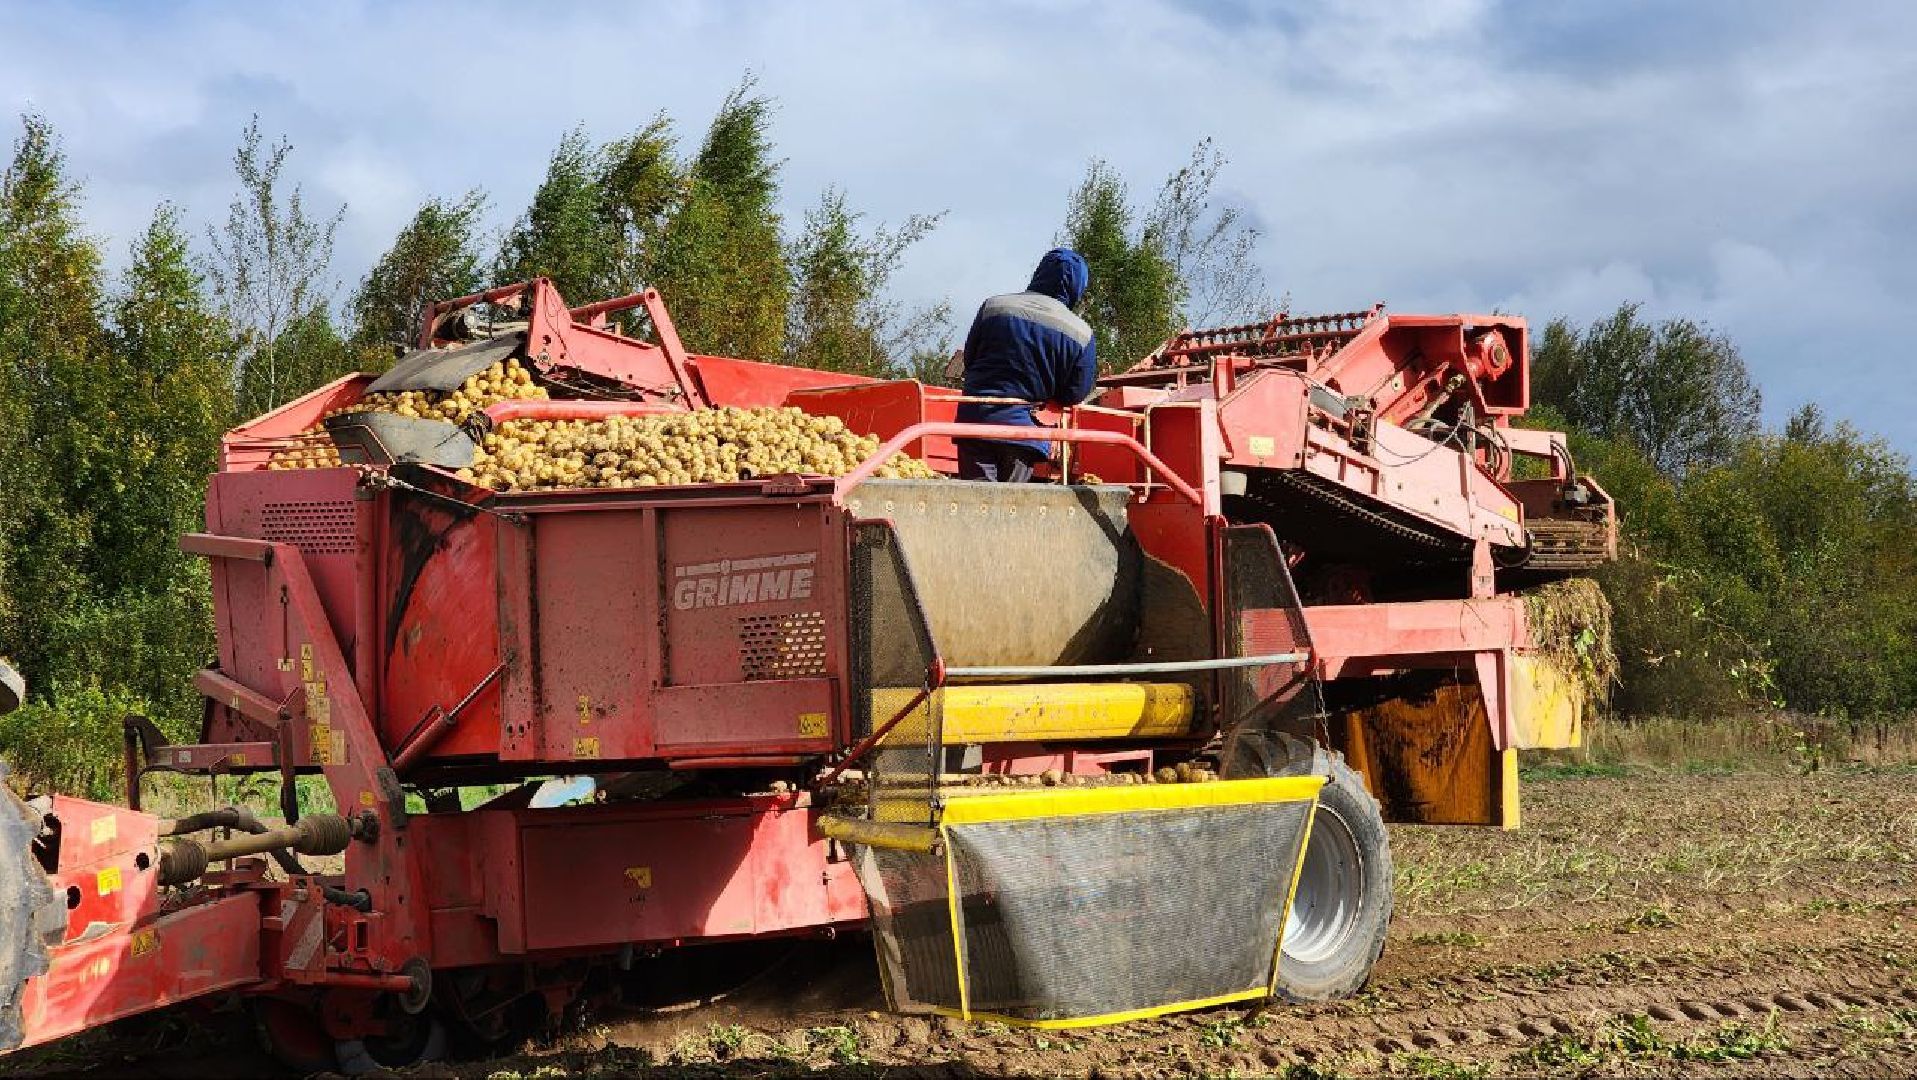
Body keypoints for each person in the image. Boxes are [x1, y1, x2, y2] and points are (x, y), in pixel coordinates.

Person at [953, 248, 1097, 482]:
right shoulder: (1081, 333)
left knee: (976, 504)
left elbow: (970, 358)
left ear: (1040, 273)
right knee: (1012, 508)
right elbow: (1075, 393)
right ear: (1077, 286)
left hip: (976, 422)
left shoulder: (993, 306)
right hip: (1024, 431)